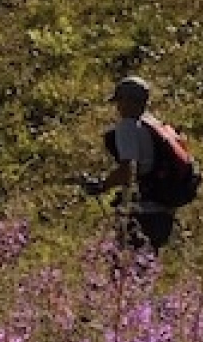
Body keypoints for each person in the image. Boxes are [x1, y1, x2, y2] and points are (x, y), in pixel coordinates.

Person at [80, 76, 196, 252]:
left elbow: (128, 169)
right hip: (163, 214)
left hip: (142, 214)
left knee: (126, 270)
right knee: (146, 270)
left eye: (119, 100)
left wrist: (102, 185)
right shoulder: (154, 125)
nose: (118, 107)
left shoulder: (128, 127)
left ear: (128, 101)